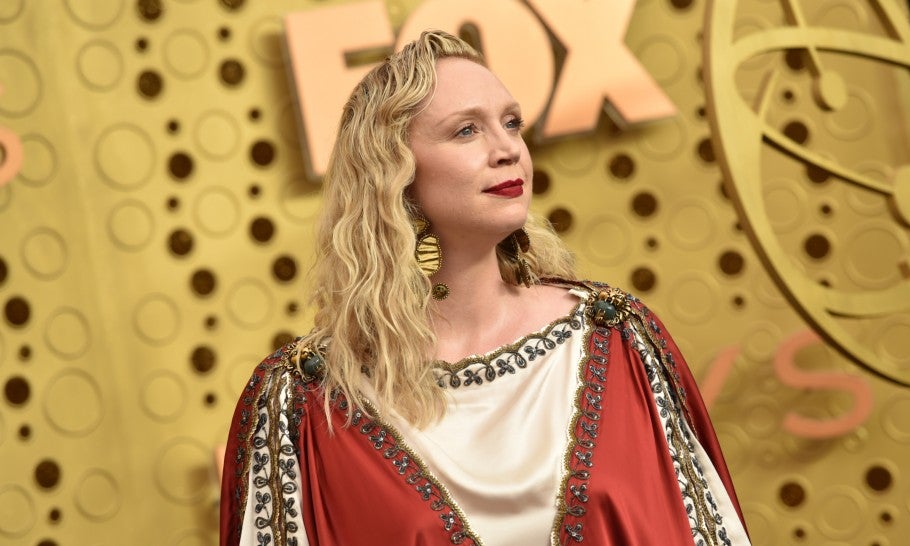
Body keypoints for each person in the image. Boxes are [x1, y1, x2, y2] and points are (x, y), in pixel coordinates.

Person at [220, 30, 749, 546]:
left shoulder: (615, 337)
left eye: (512, 123)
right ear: (395, 173)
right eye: (466, 131)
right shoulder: (306, 399)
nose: (507, 149)